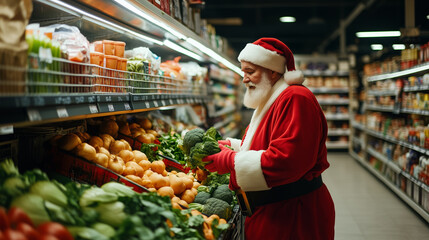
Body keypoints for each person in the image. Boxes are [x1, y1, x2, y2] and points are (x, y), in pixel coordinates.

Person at [202, 38, 335, 240]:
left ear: (272, 71)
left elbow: (289, 160)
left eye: (250, 71)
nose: (244, 79)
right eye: (243, 72)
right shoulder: (275, 97)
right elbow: (268, 143)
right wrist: (233, 147)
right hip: (276, 210)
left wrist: (230, 160)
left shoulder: (296, 98)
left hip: (293, 215)